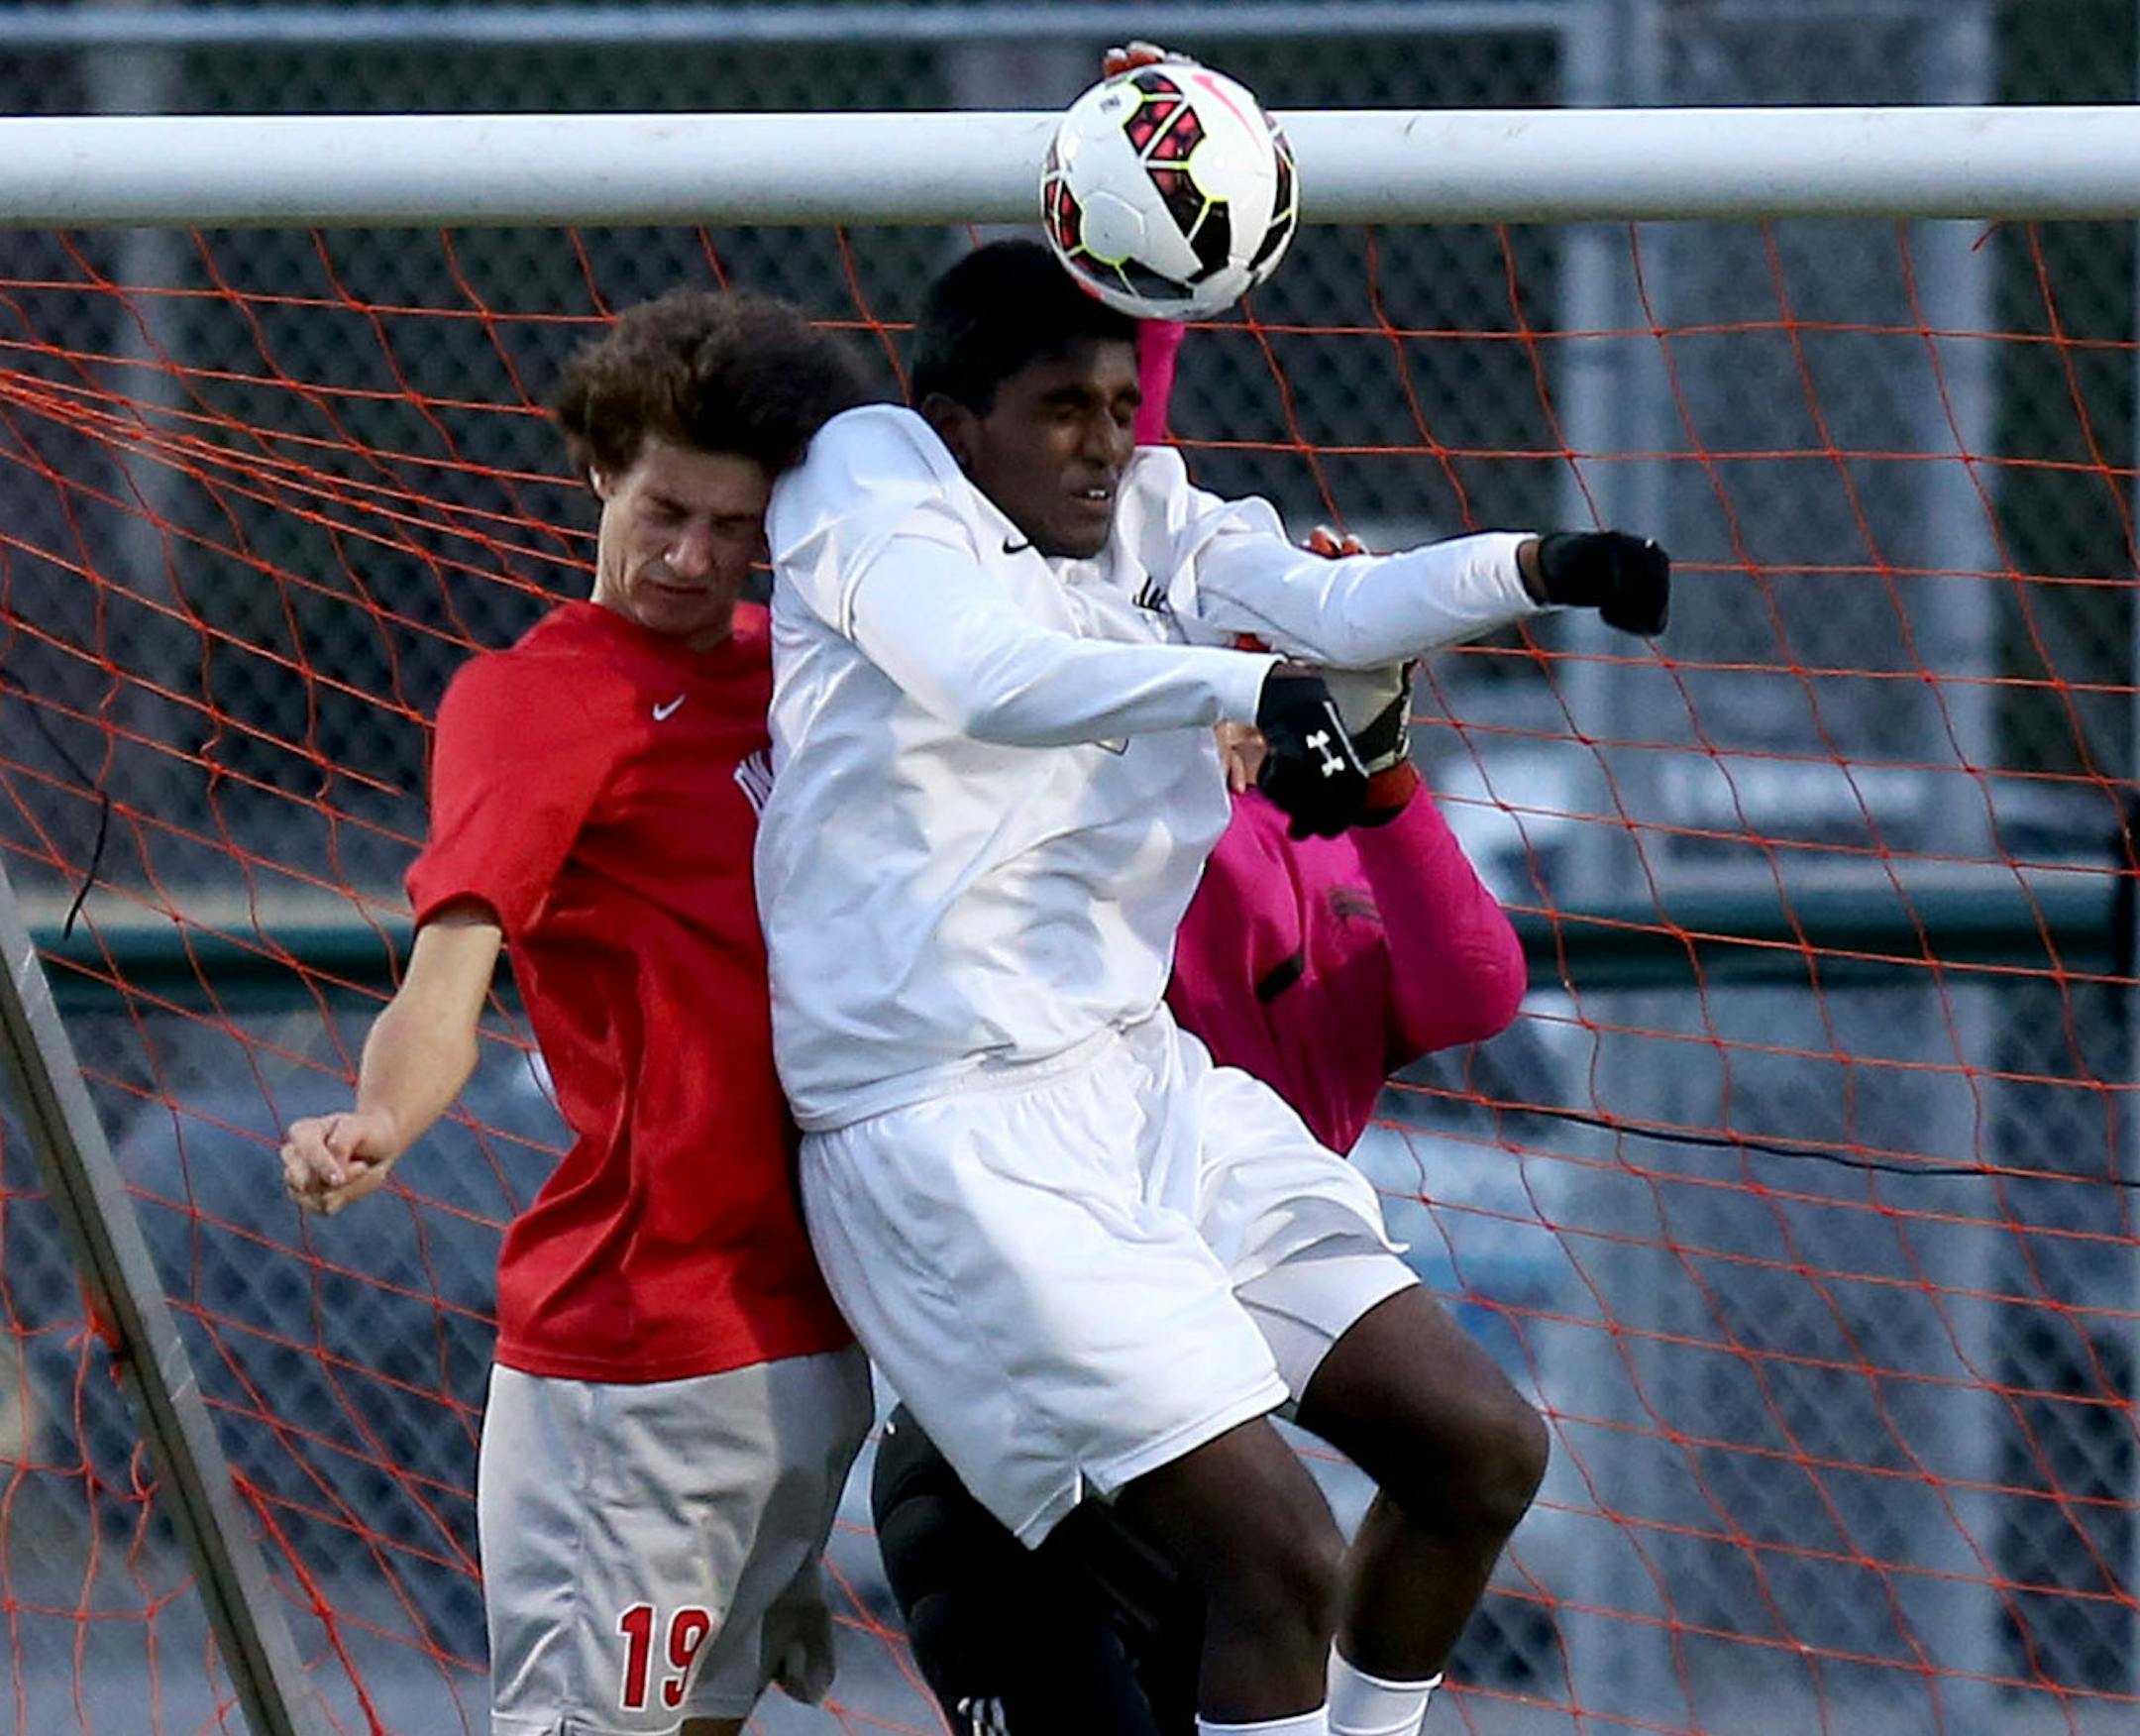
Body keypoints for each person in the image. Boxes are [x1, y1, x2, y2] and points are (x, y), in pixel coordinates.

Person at [755, 238, 1667, 1736]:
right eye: (1064, 407)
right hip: (945, 1136)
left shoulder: (1150, 515)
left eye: (1123, 404)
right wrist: (1249, 690)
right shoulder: (868, 480)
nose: (1107, 440)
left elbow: (1337, 604)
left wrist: (1536, 570)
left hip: (1135, 1086)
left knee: (1478, 1446)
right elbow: (990, 677)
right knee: (1277, 1556)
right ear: (953, 417)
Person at [278, 289, 873, 1736]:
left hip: (824, 1342)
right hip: (639, 1353)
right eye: (667, 508)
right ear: (601, 466)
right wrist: (378, 1118)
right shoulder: (535, 700)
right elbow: (450, 971)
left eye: (738, 530)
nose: (694, 557)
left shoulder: (806, 678)